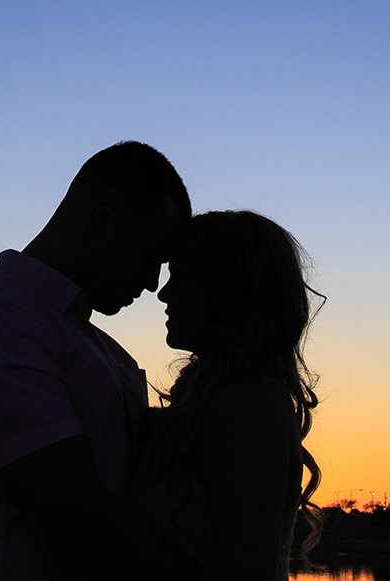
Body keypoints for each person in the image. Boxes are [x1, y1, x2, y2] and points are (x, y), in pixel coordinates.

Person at [0, 141, 196, 581]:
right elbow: (74, 516)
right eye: (149, 257)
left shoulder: (95, 347)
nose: (151, 284)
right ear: (102, 220)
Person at [139, 210, 323, 581]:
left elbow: (242, 571)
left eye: (181, 276)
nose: (163, 292)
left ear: (224, 286)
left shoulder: (247, 404)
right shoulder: (234, 397)